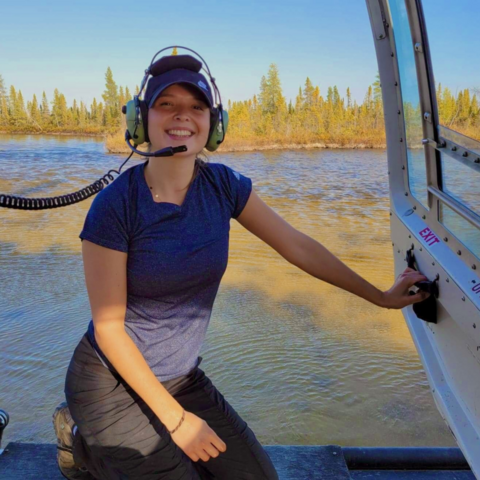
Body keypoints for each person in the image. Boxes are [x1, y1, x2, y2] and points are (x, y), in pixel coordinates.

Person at [52, 50, 430, 480]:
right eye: (166, 104)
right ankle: (80, 439)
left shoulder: (223, 186)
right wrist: (177, 422)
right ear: (141, 120)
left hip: (179, 378)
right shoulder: (115, 205)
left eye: (197, 107)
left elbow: (298, 246)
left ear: (215, 123)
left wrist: (379, 296)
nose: (183, 116)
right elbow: (109, 328)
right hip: (109, 384)